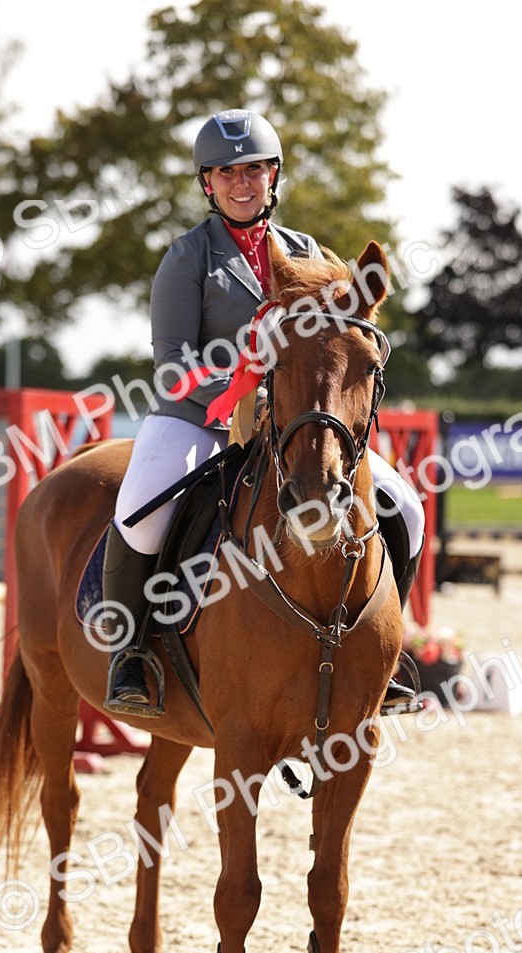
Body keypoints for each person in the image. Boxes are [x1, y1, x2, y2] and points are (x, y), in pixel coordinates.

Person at [103, 108, 425, 715]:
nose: (241, 182)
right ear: (207, 183)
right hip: (197, 417)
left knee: (404, 504)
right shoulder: (187, 258)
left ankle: (386, 652)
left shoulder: (306, 255)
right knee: (141, 513)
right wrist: (238, 392)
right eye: (226, 173)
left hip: (295, 424)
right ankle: (131, 654)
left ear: (273, 175)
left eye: (253, 169)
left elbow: (338, 343)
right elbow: (172, 363)